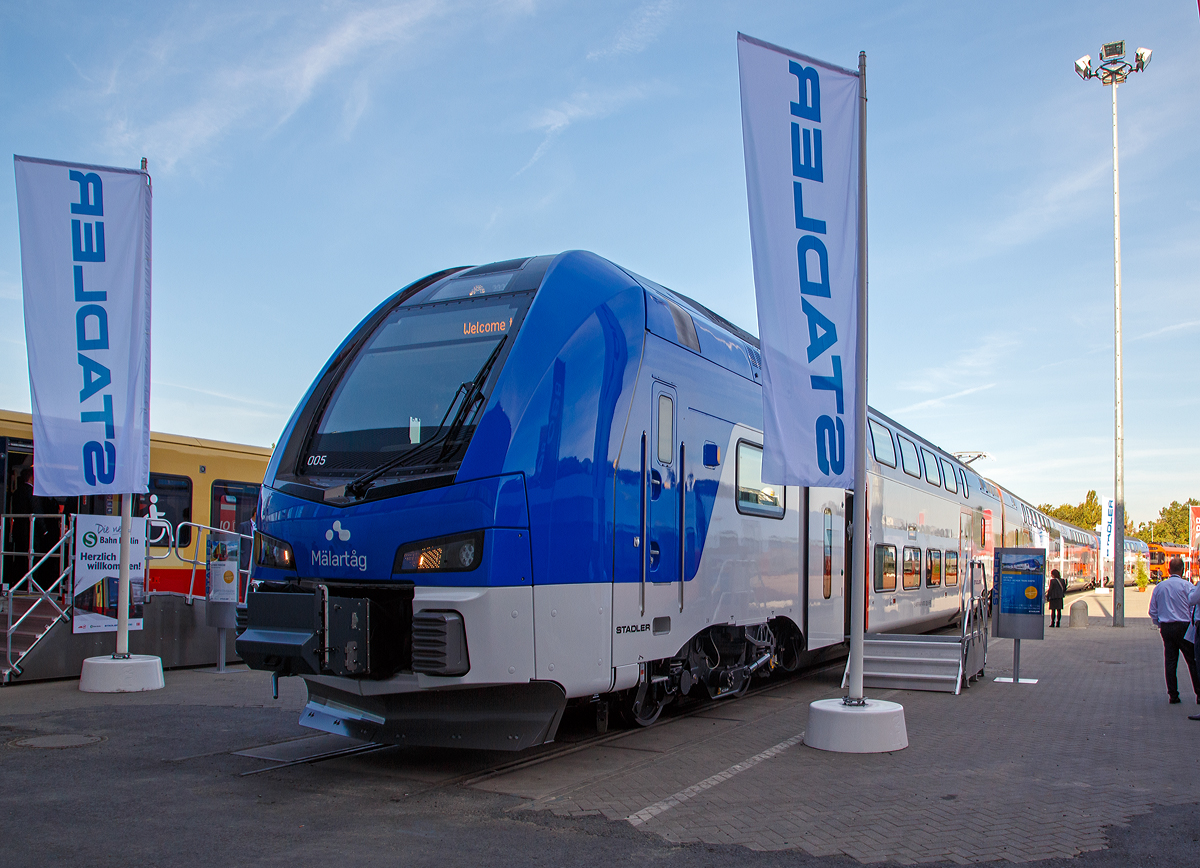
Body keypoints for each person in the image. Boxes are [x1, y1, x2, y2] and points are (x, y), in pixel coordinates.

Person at [1148, 556, 1200, 705]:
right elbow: (1193, 607)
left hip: (1167, 627)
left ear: (1169, 570)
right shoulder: (1187, 586)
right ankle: (1199, 693)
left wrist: (1159, 623)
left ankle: (1173, 695)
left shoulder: (1159, 587)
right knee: (1192, 660)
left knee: (1170, 661)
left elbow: (1152, 610)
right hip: (1184, 627)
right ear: (1182, 570)